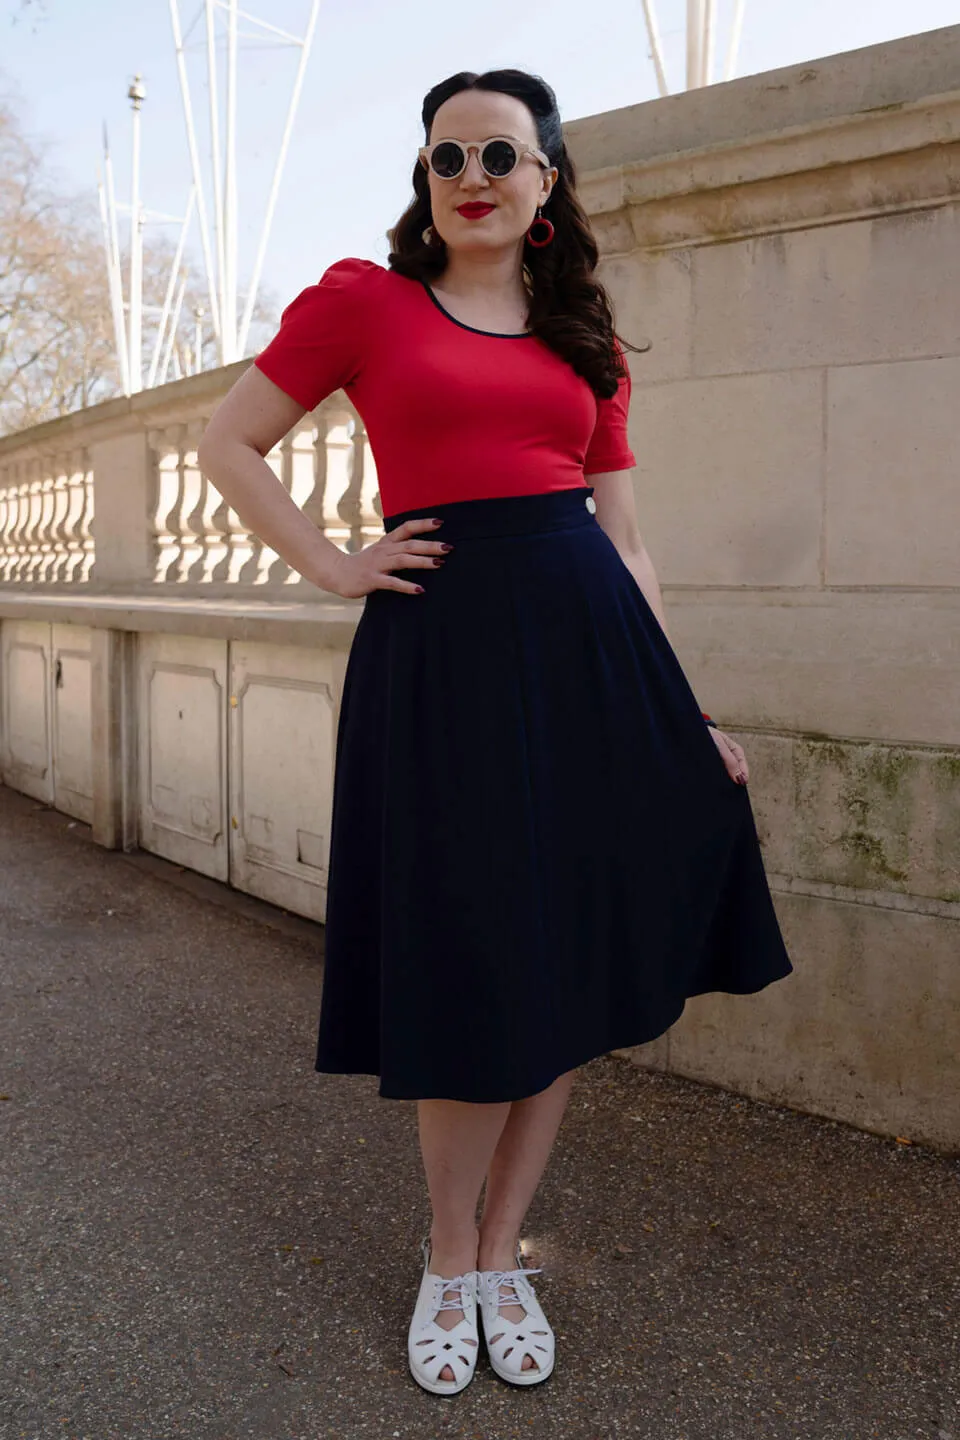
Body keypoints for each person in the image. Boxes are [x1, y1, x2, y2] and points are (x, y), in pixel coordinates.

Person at [196, 66, 793, 1396]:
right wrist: (335, 564)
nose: (473, 173)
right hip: (446, 671)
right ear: (427, 178)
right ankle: (448, 1256)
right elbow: (230, 444)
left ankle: (504, 1244)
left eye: (502, 155)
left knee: (568, 960)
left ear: (545, 183)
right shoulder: (366, 302)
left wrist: (677, 707)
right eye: (448, 154)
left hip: (594, 670)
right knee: (474, 962)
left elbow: (626, 540)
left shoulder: (584, 339)